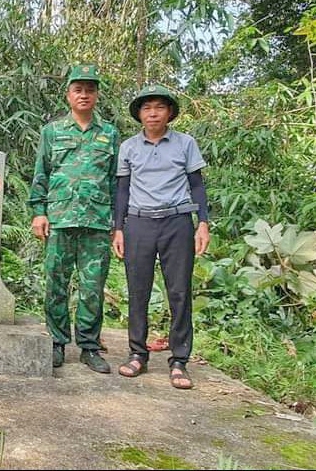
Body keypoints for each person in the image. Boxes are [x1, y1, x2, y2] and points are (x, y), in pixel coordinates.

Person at [112, 85, 210, 389]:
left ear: (169, 113)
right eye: (146, 108)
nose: (152, 113)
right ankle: (137, 354)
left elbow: (197, 185)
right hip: (139, 224)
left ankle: (179, 360)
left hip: (177, 222)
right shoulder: (129, 147)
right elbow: (123, 190)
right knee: (137, 290)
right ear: (139, 114)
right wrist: (118, 228)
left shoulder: (185, 143)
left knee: (179, 291)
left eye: (159, 107)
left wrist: (203, 223)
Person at [28, 64, 120, 373]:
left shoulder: (109, 133)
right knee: (57, 282)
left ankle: (89, 347)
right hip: (60, 218)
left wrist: (117, 224)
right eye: (78, 89)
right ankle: (56, 342)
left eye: (90, 89)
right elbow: (41, 173)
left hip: (96, 220)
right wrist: (39, 212)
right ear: (68, 94)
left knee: (92, 287)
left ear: (96, 95)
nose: (84, 94)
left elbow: (115, 181)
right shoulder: (53, 131)